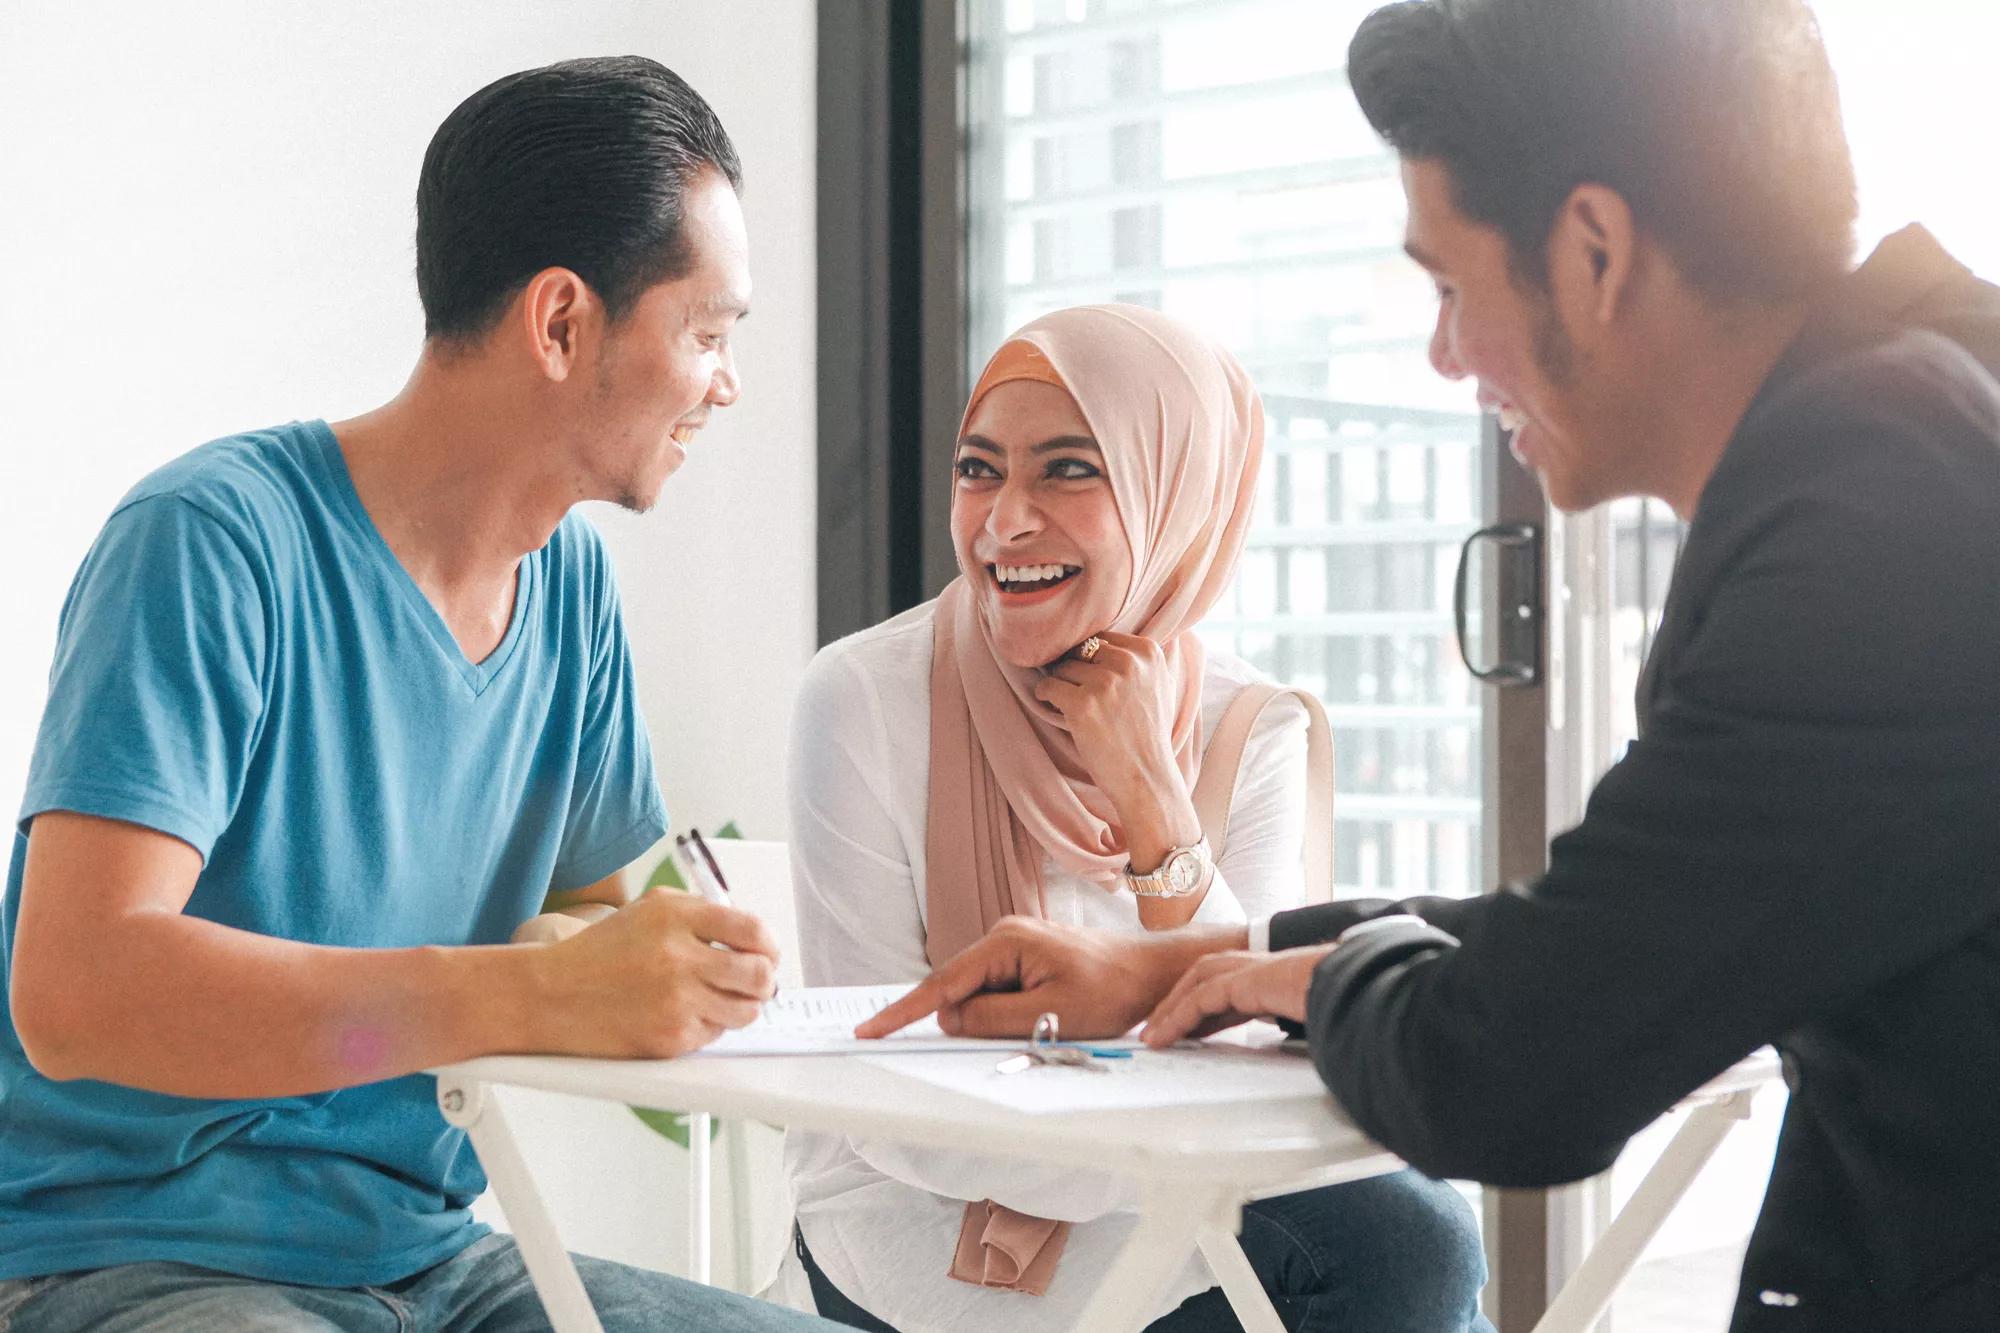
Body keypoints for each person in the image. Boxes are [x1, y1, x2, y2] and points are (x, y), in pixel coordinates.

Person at [862, 1, 2000, 1328]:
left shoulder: (1871, 523)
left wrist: (1310, 976)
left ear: (1593, 250)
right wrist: (1208, 963)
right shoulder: (1914, 431)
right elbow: (1606, 936)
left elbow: (1516, 1062)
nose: (1445, 356)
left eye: (1451, 286)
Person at [0, 57, 834, 1332]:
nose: (725, 382)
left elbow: (618, 945)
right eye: (707, 333)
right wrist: (539, 990)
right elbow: (76, 994)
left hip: (434, 1260)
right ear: (562, 323)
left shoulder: (570, 594)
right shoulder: (213, 541)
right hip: (127, 1255)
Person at [785, 303, 1489, 1332]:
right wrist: (1154, 1154)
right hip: (920, 1211)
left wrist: (1154, 800)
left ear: (1178, 491)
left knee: (1413, 1242)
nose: (1003, 520)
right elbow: (879, 1080)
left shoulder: (1248, 724)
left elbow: (1260, 1037)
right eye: (978, 469)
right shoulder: (859, 698)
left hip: (1183, 1195)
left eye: (1067, 469)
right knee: (1401, 1251)